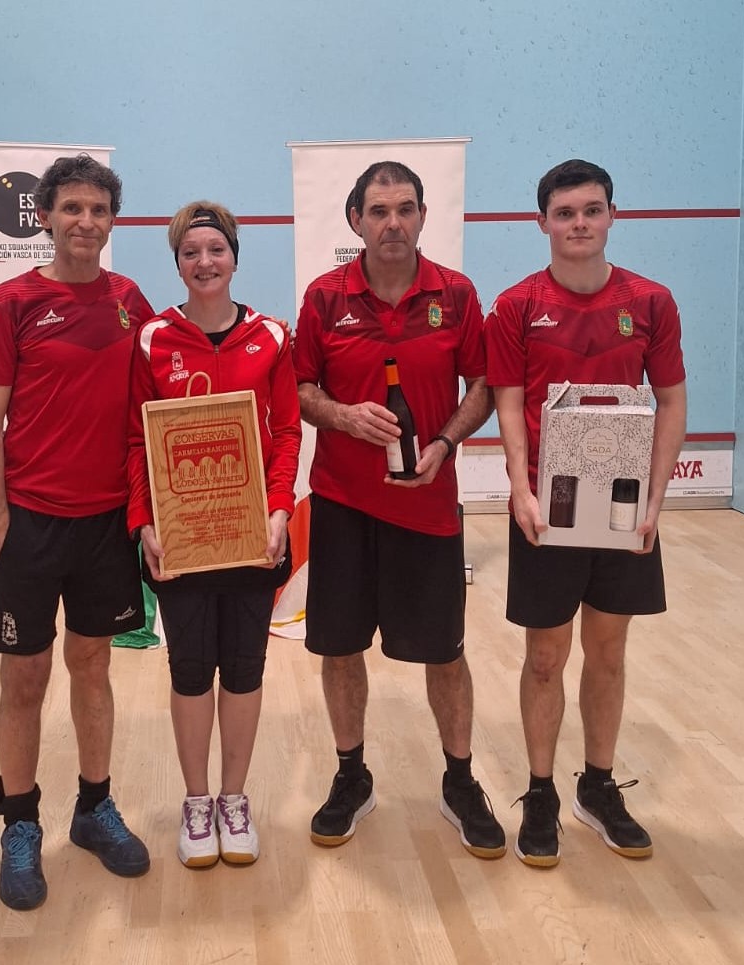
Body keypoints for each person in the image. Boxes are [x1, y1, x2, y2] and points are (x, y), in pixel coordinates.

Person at [292, 161, 506, 859]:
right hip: (343, 504)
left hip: (428, 506)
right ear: (355, 220)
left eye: (405, 208)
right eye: (379, 210)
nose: (393, 222)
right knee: (340, 647)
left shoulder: (456, 293)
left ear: (421, 216)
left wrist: (445, 441)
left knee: (445, 652)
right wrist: (343, 416)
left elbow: (483, 383)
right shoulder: (324, 297)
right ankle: (351, 775)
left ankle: (460, 781)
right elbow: (300, 388)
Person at [484, 158, 687, 867]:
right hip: (549, 506)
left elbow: (671, 399)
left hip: (625, 505)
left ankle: (597, 785)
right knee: (545, 657)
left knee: (608, 652)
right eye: (565, 213)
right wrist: (520, 486)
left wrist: (655, 495)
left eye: (591, 210)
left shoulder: (652, 301)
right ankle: (541, 791)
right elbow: (509, 400)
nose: (579, 223)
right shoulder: (515, 306)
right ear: (542, 222)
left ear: (611, 216)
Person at [0, 154, 154, 910]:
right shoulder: (11, 302)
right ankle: (20, 823)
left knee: (93, 664)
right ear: (44, 216)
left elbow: (155, 408)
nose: (86, 221)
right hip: (32, 523)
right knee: (25, 677)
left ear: (113, 222)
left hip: (105, 522)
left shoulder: (130, 300)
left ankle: (93, 807)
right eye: (72, 208)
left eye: (99, 210)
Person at [127, 202, 301, 868]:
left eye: (216, 250)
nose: (205, 262)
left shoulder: (272, 336)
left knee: (246, 667)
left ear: (234, 257)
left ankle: (234, 798)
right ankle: (197, 802)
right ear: (177, 263)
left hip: (254, 536)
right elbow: (135, 441)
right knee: (191, 668)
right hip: (182, 541)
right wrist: (144, 521)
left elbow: (287, 431)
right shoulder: (152, 339)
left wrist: (280, 508)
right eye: (190, 252)